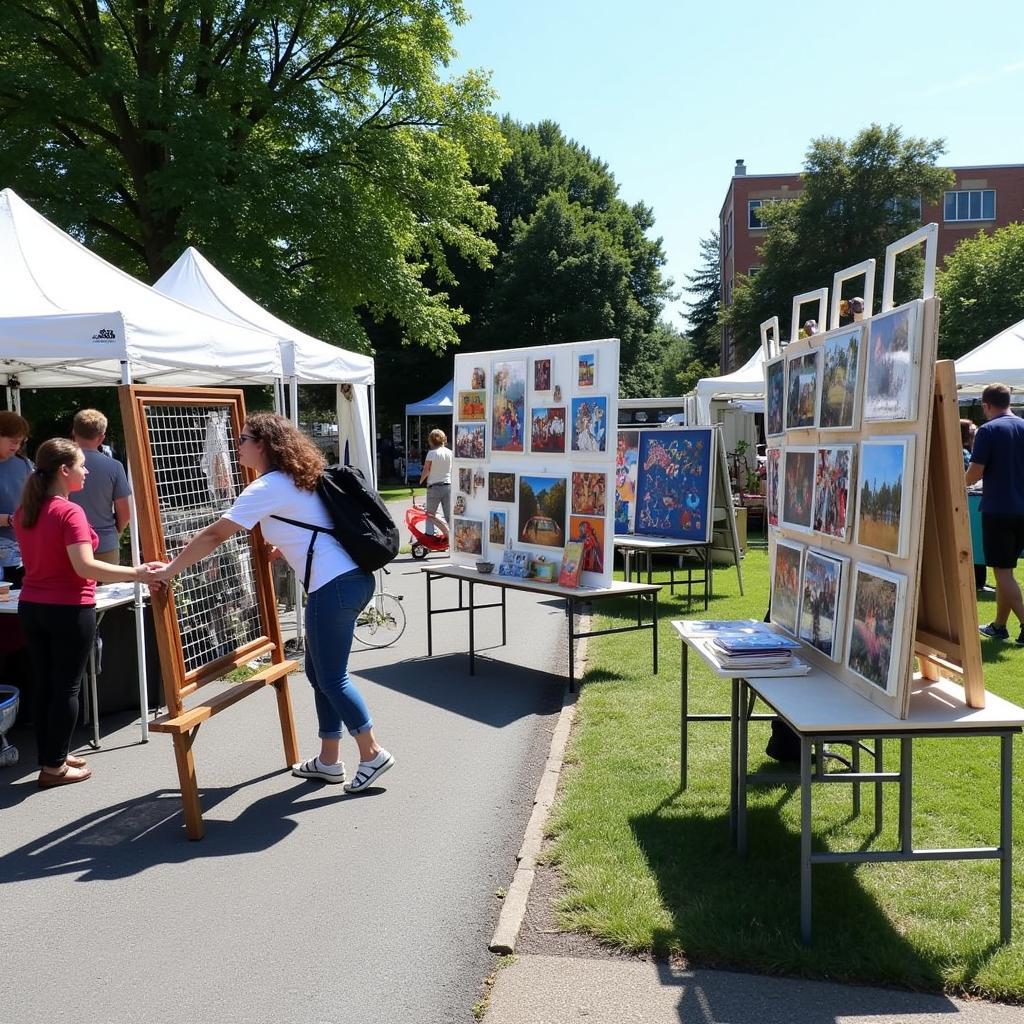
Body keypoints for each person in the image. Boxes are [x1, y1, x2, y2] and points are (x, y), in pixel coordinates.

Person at [150, 412, 394, 792]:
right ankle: (329, 760)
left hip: (333, 587)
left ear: (263, 444)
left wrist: (170, 569)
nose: (238, 444)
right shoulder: (297, 479)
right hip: (350, 581)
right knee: (319, 675)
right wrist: (283, 549)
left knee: (331, 677)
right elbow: (315, 525)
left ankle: (372, 752)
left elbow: (216, 534)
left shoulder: (267, 487)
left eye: (244, 438)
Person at [14, 439, 157, 787]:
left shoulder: (26, 510)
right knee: (65, 689)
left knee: (46, 685)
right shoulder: (68, 512)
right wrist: (139, 573)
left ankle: (53, 756)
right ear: (64, 471)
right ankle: (53, 769)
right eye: (81, 465)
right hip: (67, 608)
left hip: (32, 607)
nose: (87, 470)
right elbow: (85, 567)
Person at [966, 384, 1024, 643]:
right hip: (1021, 508)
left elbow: (975, 473)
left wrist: (957, 483)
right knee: (1006, 570)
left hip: (998, 509)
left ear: (986, 405)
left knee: (1002, 571)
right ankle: (999, 625)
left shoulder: (987, 430)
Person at [68, 409, 132, 564]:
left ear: (73, 432)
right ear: (101, 438)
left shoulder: (61, 464)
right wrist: (115, 531)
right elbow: (124, 512)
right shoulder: (115, 467)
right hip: (105, 542)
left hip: (69, 542)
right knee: (110, 588)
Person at [0, 411, 33, 587]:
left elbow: (37, 497)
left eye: (20, 441)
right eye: (13, 440)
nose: (16, 445)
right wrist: (9, 519)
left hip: (23, 551)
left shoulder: (24, 464)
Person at [419, 428, 452, 538]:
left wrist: (420, 481)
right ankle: (452, 536)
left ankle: (430, 535)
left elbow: (426, 469)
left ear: (432, 441)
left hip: (434, 486)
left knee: (430, 514)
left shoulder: (431, 453)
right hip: (448, 485)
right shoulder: (450, 453)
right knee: (448, 515)